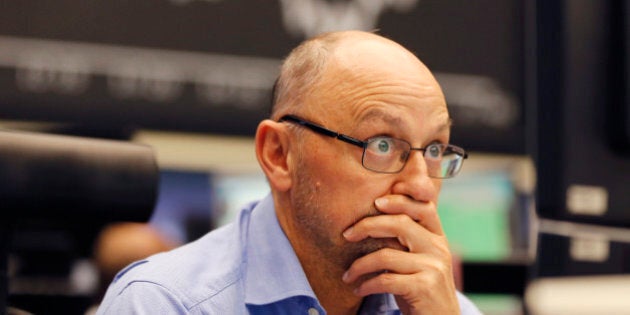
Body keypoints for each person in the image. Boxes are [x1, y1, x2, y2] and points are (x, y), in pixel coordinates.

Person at [97, 30, 482, 314]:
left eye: (433, 150)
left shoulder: (448, 310)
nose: (420, 186)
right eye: (381, 144)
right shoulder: (160, 304)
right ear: (279, 155)